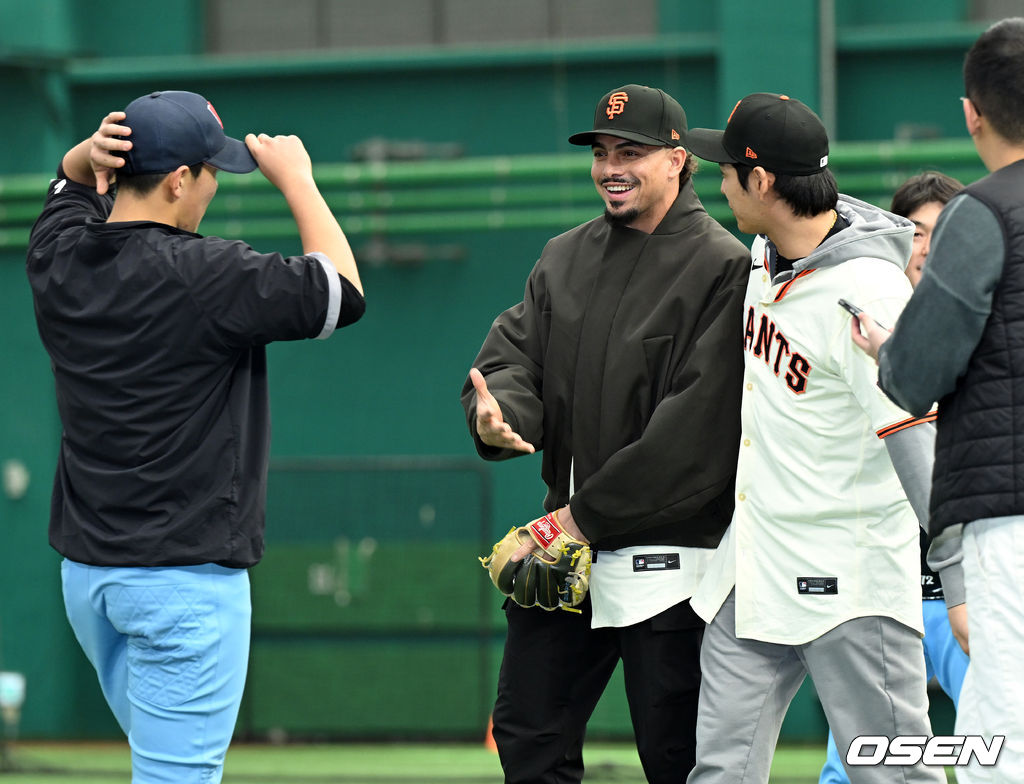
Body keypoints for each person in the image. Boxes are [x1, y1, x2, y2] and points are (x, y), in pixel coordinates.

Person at [26, 91, 365, 784]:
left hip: (90, 580)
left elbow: (66, 181)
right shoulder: (207, 273)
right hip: (180, 583)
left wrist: (84, 156)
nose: (214, 183)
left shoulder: (58, 256)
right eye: (212, 170)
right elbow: (341, 293)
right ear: (180, 178)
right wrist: (298, 179)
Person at [460, 84, 749, 784]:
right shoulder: (564, 257)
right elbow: (510, 362)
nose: (611, 166)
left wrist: (576, 520)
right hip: (568, 561)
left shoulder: (725, 266)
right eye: (601, 152)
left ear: (679, 160)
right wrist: (500, 421)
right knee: (529, 740)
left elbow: (695, 438)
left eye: (632, 152)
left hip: (674, 566)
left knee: (677, 759)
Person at [681, 92, 949, 784]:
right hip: (754, 568)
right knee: (718, 771)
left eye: (727, 168)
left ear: (763, 181)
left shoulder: (870, 290)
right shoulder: (766, 252)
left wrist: (959, 575)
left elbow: (915, 438)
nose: (718, 179)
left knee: (892, 774)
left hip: (849, 581)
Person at [850, 17, 1024, 783]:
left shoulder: (979, 214)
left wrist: (888, 349)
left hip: (1008, 513)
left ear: (970, 112)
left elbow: (915, 373)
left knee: (1003, 736)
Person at [817, 171, 969, 784]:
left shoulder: (988, 340)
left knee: (1001, 747)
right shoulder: (851, 325)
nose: (926, 248)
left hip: (968, 595)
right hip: (878, 593)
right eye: (915, 233)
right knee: (857, 765)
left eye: (941, 233)